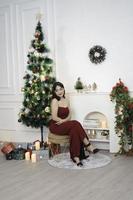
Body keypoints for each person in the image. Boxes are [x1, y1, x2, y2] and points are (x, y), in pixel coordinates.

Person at [49, 81, 99, 166]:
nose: (59, 92)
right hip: (56, 125)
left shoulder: (66, 100)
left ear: (63, 89)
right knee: (76, 123)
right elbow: (54, 117)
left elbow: (69, 115)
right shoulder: (54, 101)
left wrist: (64, 120)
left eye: (61, 89)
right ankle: (88, 145)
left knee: (74, 131)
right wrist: (64, 121)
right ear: (54, 92)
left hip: (64, 123)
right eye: (57, 90)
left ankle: (76, 158)